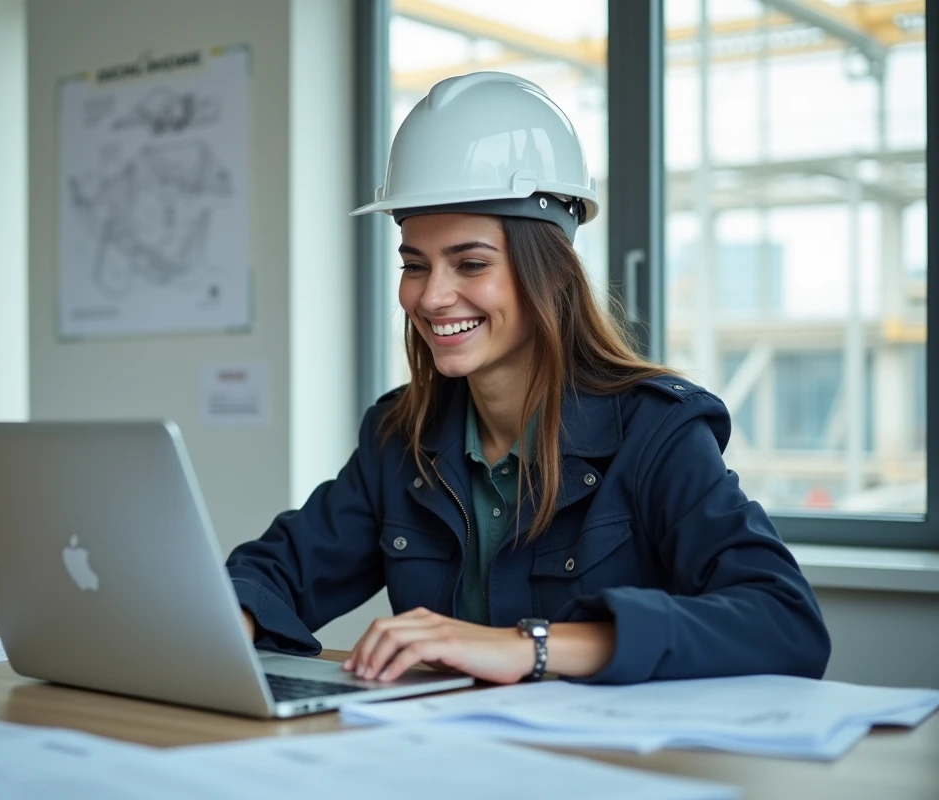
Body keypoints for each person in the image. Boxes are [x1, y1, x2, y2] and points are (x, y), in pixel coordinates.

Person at [226, 72, 830, 686]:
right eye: (414, 265)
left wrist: (531, 647)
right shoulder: (399, 436)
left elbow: (784, 623)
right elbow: (277, 573)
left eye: (471, 263)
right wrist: (222, 624)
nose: (432, 296)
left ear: (554, 274)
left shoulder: (656, 431)